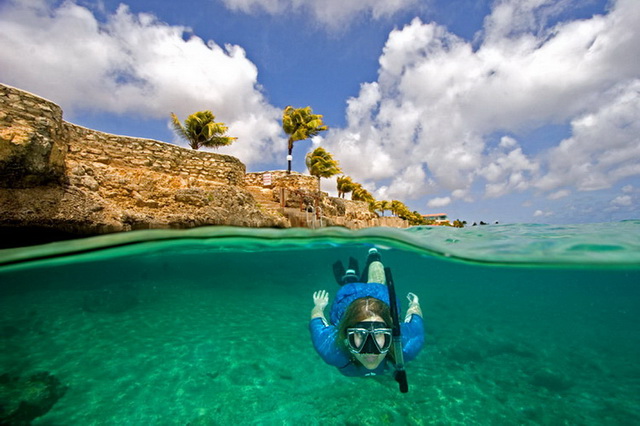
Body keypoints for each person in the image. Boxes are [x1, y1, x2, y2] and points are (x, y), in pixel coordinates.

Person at [309, 248, 425, 377]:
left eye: (379, 334)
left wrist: (319, 307)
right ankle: (368, 262)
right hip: (352, 298)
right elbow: (415, 316)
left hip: (376, 298)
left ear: (392, 334)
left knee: (372, 283)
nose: (370, 350)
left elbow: (316, 317)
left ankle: (364, 265)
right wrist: (414, 304)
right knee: (375, 283)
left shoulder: (329, 349)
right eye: (360, 334)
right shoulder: (331, 348)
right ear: (345, 337)